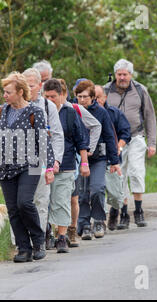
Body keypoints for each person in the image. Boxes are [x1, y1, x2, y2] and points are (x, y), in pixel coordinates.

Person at [0, 72, 55, 263]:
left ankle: (38, 240)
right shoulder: (2, 110)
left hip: (30, 165)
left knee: (25, 203)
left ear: (20, 92)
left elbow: (44, 140)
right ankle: (24, 248)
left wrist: (49, 168)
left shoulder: (35, 112)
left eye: (8, 92)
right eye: (4, 92)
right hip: (5, 166)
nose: (4, 95)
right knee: (13, 209)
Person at [104, 59, 157, 228]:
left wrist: (152, 143)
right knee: (120, 175)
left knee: (136, 172)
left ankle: (139, 211)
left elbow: (150, 117)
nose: (122, 77)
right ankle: (124, 213)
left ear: (130, 75)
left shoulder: (141, 90)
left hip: (136, 137)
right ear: (115, 75)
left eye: (125, 74)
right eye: (119, 74)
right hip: (115, 139)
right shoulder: (105, 90)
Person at [43, 79, 90, 253]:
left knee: (61, 201)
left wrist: (84, 163)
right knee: (43, 202)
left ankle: (62, 237)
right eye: (46, 96)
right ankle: (47, 233)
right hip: (42, 166)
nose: (50, 100)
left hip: (66, 164)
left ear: (61, 95)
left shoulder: (70, 113)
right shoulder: (39, 111)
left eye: (53, 96)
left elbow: (81, 140)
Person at [22, 68, 64, 251]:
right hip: (21, 162)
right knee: (22, 202)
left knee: (41, 200)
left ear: (39, 86)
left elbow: (56, 135)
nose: (26, 89)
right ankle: (23, 242)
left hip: (41, 160)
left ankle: (39, 240)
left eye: (30, 85)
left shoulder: (48, 107)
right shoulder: (15, 105)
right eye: (23, 85)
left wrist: (55, 160)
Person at [74, 80, 121, 240]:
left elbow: (110, 136)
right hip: (79, 157)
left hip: (98, 157)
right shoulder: (74, 111)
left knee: (98, 188)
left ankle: (99, 221)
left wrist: (115, 161)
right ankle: (85, 224)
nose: (82, 100)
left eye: (85, 97)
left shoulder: (101, 112)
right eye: (79, 96)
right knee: (82, 192)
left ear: (93, 97)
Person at [59, 78, 101, 247]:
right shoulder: (46, 109)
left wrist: (88, 149)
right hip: (53, 161)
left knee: (73, 198)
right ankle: (57, 232)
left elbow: (96, 125)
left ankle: (72, 228)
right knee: (56, 199)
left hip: (73, 159)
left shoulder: (73, 109)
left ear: (65, 94)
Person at [95, 85, 131, 231]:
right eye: (94, 97)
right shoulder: (86, 113)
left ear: (105, 97)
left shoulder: (114, 113)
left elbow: (126, 133)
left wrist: (119, 147)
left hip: (113, 157)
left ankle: (116, 209)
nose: (96, 100)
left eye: (99, 97)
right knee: (98, 188)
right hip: (97, 158)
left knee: (116, 193)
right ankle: (100, 220)